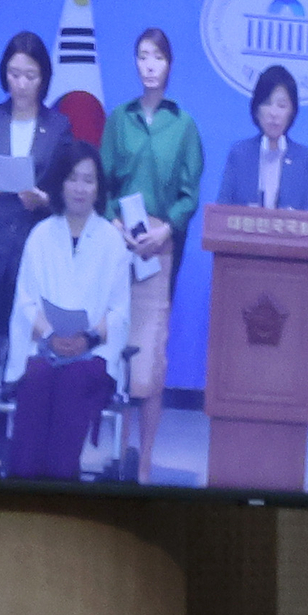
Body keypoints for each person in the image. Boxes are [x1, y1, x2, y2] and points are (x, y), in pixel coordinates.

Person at [99, 25, 202, 482]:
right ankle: (119, 454)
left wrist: (165, 231)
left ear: (170, 64)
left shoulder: (184, 124)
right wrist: (115, 225)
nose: (150, 64)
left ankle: (144, 462)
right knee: (117, 347)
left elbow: (189, 194)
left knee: (152, 354)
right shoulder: (118, 118)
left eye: (158, 56)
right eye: (142, 55)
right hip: (119, 247)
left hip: (160, 250)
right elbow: (102, 184)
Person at [0, 138, 127, 479]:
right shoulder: (41, 235)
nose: (80, 188)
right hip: (44, 350)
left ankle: (61, 484)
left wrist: (88, 338)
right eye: (72, 178)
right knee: (37, 379)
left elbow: (119, 311)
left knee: (73, 383)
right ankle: (23, 486)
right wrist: (51, 336)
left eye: (88, 179)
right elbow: (25, 301)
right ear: (59, 184)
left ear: (99, 187)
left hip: (90, 355)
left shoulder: (112, 242)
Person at [0, 30, 60, 411]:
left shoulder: (58, 127)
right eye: (14, 73)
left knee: (32, 347)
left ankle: (29, 435)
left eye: (30, 75)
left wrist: (43, 199)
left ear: (44, 78)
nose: (21, 83)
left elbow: (65, 194)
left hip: (34, 251)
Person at [213, 61, 308, 212]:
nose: (273, 113)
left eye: (281, 106)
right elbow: (221, 211)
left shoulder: (304, 159)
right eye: (267, 103)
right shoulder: (239, 153)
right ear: (256, 109)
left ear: (292, 112)